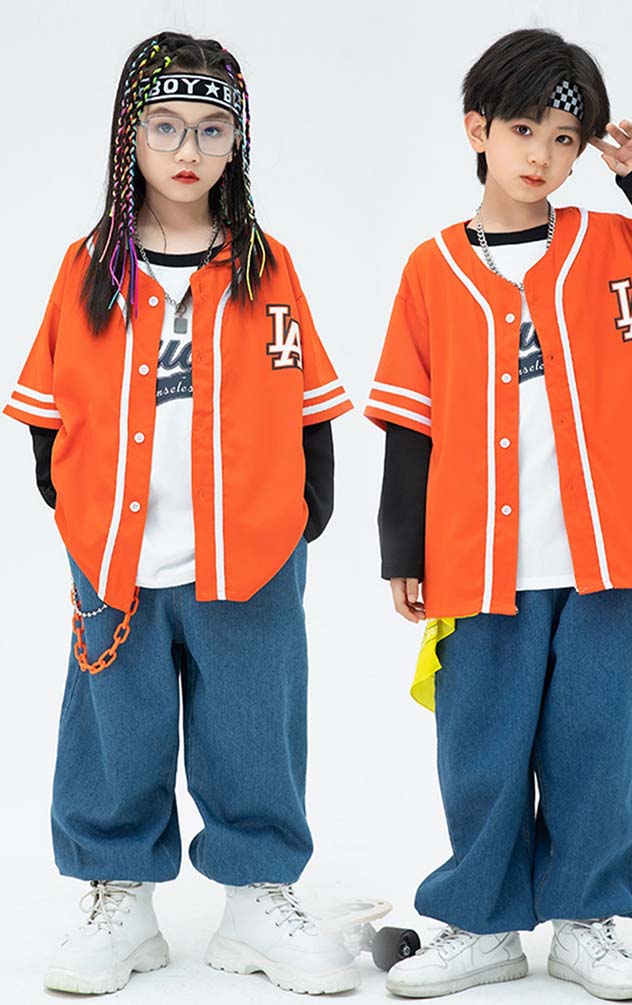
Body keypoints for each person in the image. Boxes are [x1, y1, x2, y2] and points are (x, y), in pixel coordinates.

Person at [364, 27, 632, 1002]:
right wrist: (403, 547)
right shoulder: (431, 270)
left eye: (565, 138)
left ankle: (587, 921)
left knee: (595, 746)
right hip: (476, 560)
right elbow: (409, 419)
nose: (542, 154)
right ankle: (481, 925)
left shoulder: (622, 249)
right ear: (478, 130)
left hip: (600, 560)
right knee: (480, 750)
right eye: (524, 128)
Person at [3, 30, 359, 997]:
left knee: (255, 721)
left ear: (238, 142)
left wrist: (302, 512)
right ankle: (119, 896)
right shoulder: (89, 266)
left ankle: (257, 898)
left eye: (210, 128)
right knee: (115, 725)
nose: (187, 149)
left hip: (249, 547)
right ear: (131, 135)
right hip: (116, 550)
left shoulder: (265, 266)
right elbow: (46, 407)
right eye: (164, 126)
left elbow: (309, 398)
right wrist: (73, 506)